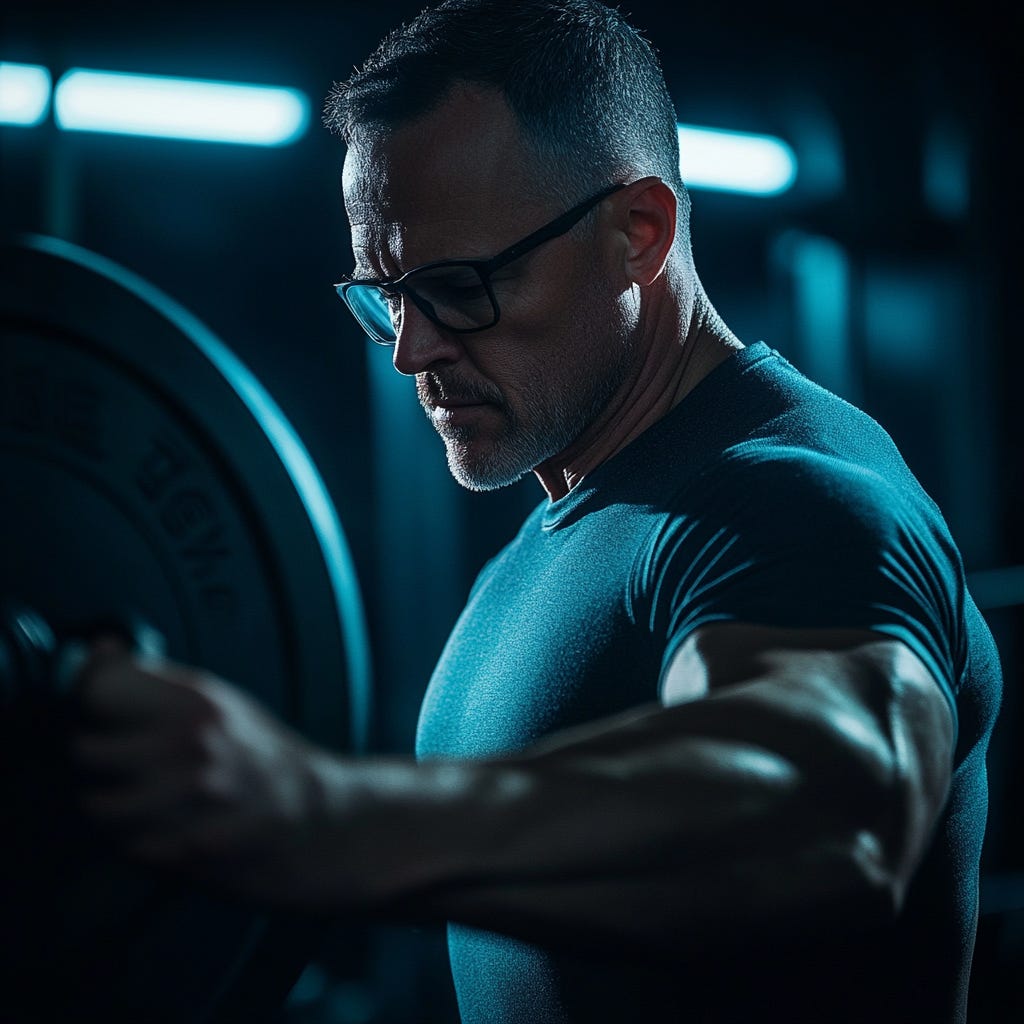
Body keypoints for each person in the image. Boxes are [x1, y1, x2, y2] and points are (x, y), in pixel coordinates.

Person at [73, 1, 1001, 1021]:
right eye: (384, 294)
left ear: (636, 233)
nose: (411, 350)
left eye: (458, 286)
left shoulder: (784, 502)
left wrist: (324, 817)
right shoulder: (566, 519)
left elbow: (837, 806)